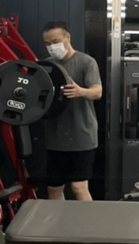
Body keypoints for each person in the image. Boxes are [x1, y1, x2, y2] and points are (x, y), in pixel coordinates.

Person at [41, 20, 102, 201]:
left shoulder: (86, 62)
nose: (52, 47)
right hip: (56, 138)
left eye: (55, 41)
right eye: (47, 43)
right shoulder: (46, 66)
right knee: (54, 188)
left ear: (68, 37)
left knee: (79, 187)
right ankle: (57, 220)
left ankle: (88, 220)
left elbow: (97, 92)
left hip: (81, 136)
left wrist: (80, 91)